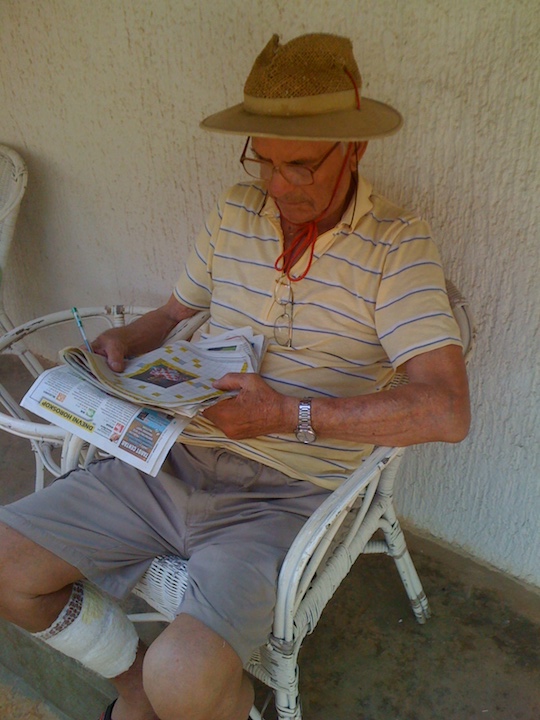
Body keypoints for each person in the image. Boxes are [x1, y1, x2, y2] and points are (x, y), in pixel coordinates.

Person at [0, 33, 470, 720]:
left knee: (187, 679)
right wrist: (127, 341)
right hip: (173, 455)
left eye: (301, 165)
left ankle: (179, 695)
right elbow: (175, 311)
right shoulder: (234, 210)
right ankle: (136, 692)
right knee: (8, 567)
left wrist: (288, 416)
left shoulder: (398, 245)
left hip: (283, 496)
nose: (278, 187)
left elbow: (445, 410)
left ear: (355, 148)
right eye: (264, 160)